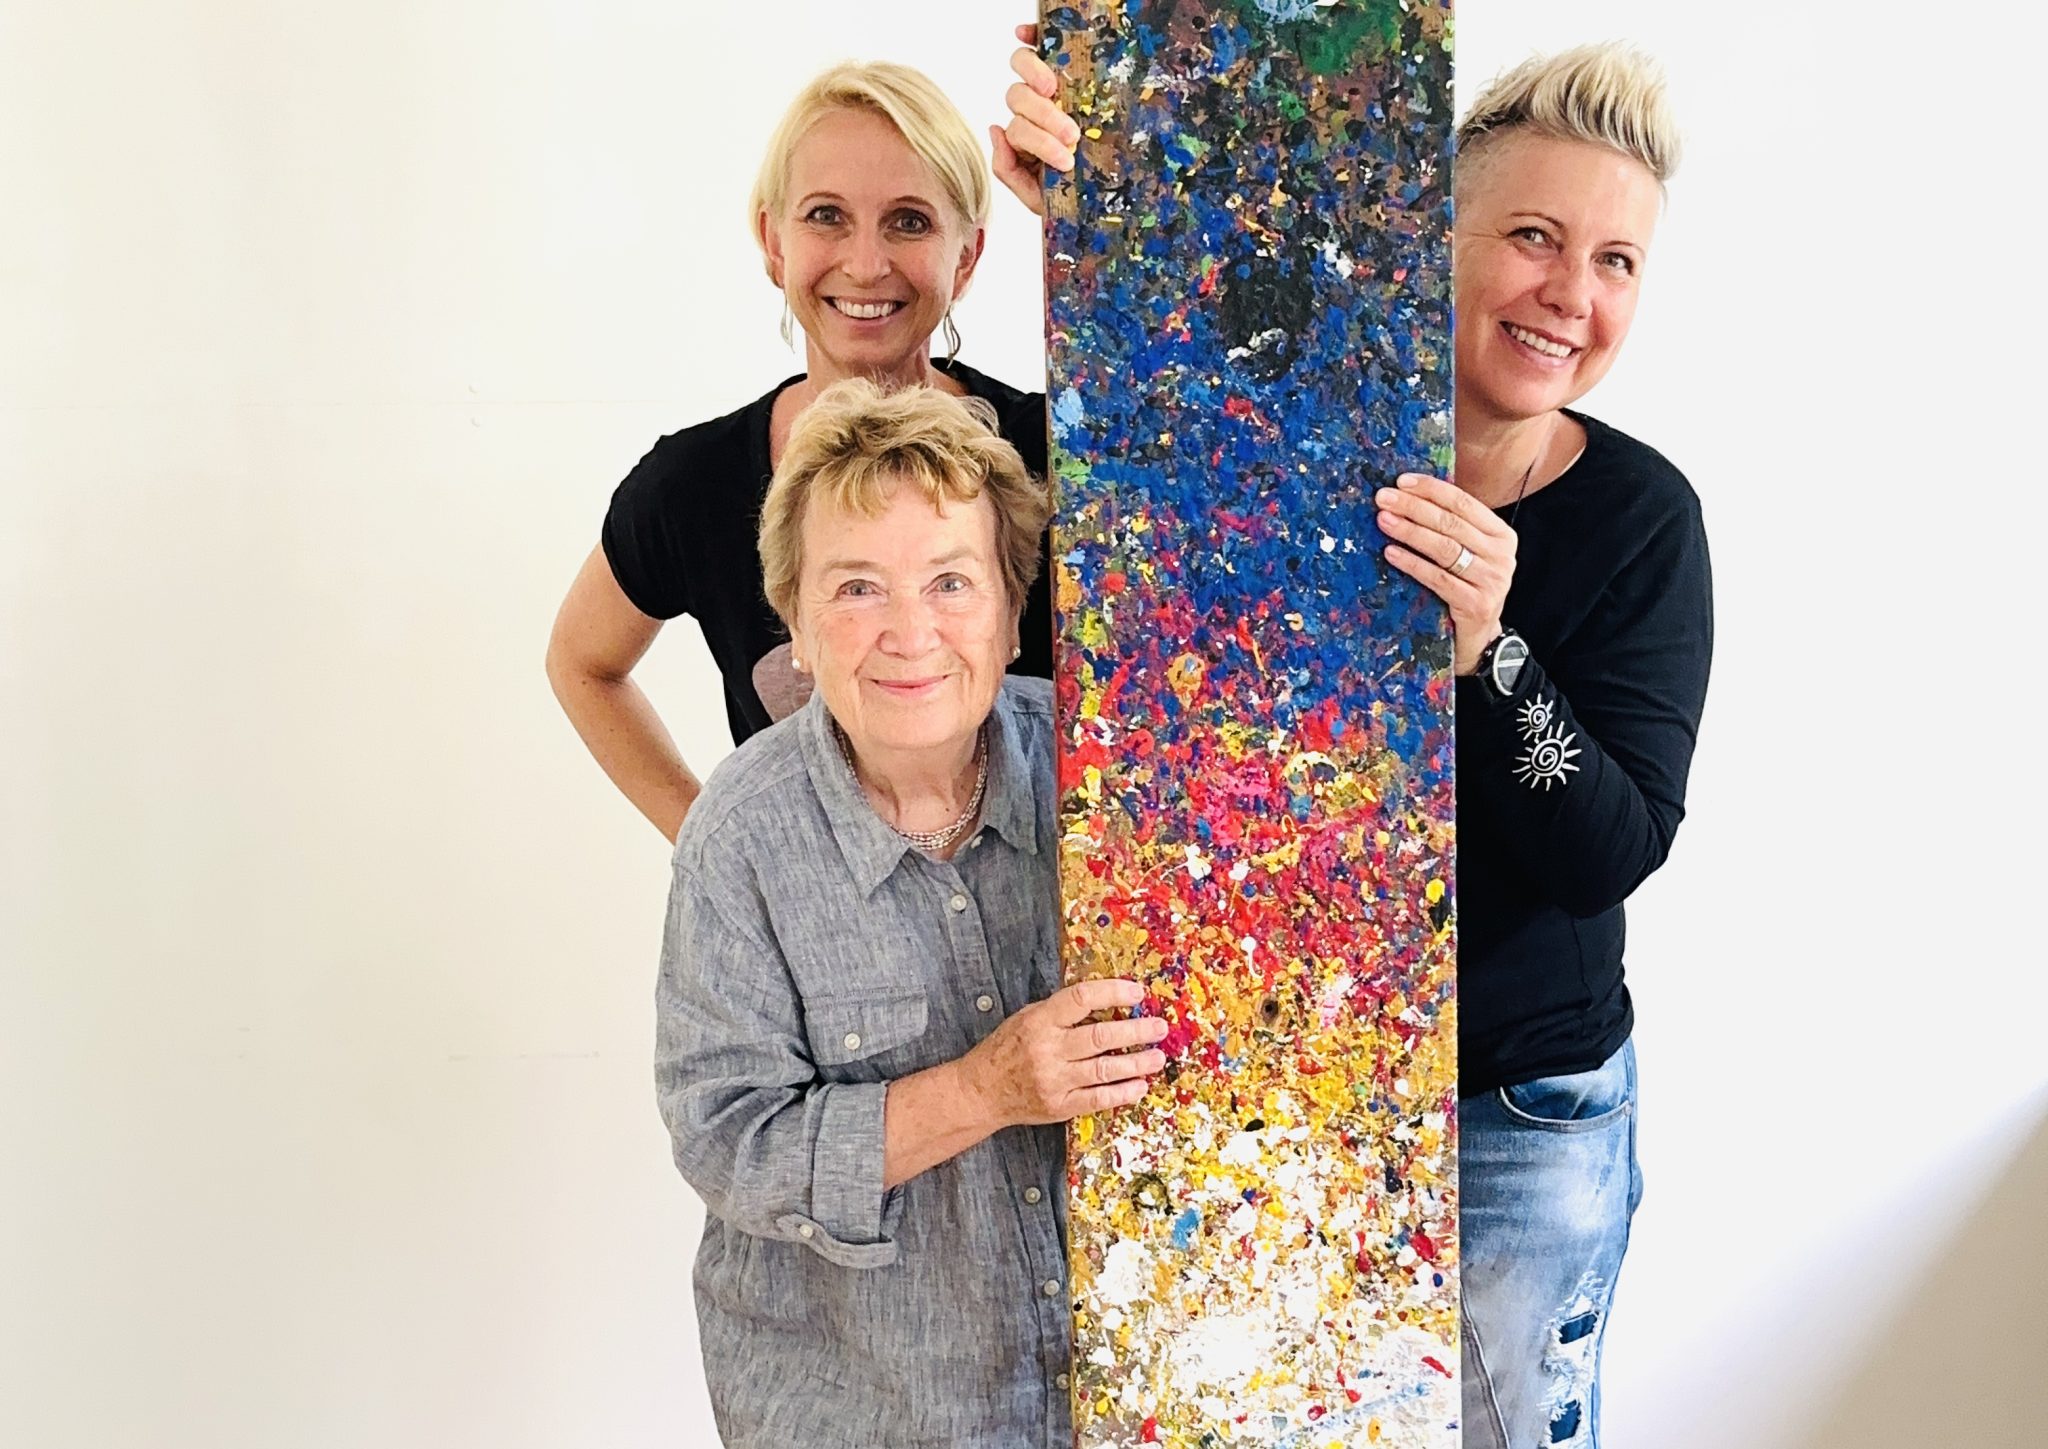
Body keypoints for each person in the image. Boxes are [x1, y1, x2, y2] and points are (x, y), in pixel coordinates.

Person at [996, 37, 1712, 1449]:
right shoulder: (1281, 452)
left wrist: (1489, 654)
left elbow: (1612, 850)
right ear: (1428, 238)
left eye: (1616, 261)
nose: (1570, 293)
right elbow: (1167, 390)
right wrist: (1101, 204)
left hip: (1519, 1112)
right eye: (1532, 236)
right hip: (1277, 1086)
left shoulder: (1641, 519)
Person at [654, 379, 1170, 1449]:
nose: (909, 632)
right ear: (795, 622)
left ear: (1012, 612)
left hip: (1120, 1409)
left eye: (950, 581)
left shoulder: (1114, 782)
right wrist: (986, 1089)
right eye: (856, 588)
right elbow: (729, 1142)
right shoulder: (739, 835)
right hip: (866, 1412)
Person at [546, 61, 1053, 841]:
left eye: (909, 221)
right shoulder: (694, 487)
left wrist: (1100, 224)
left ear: (967, 256)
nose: (866, 263)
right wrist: (720, 848)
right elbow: (582, 663)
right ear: (772, 241)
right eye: (826, 216)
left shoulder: (1059, 457)